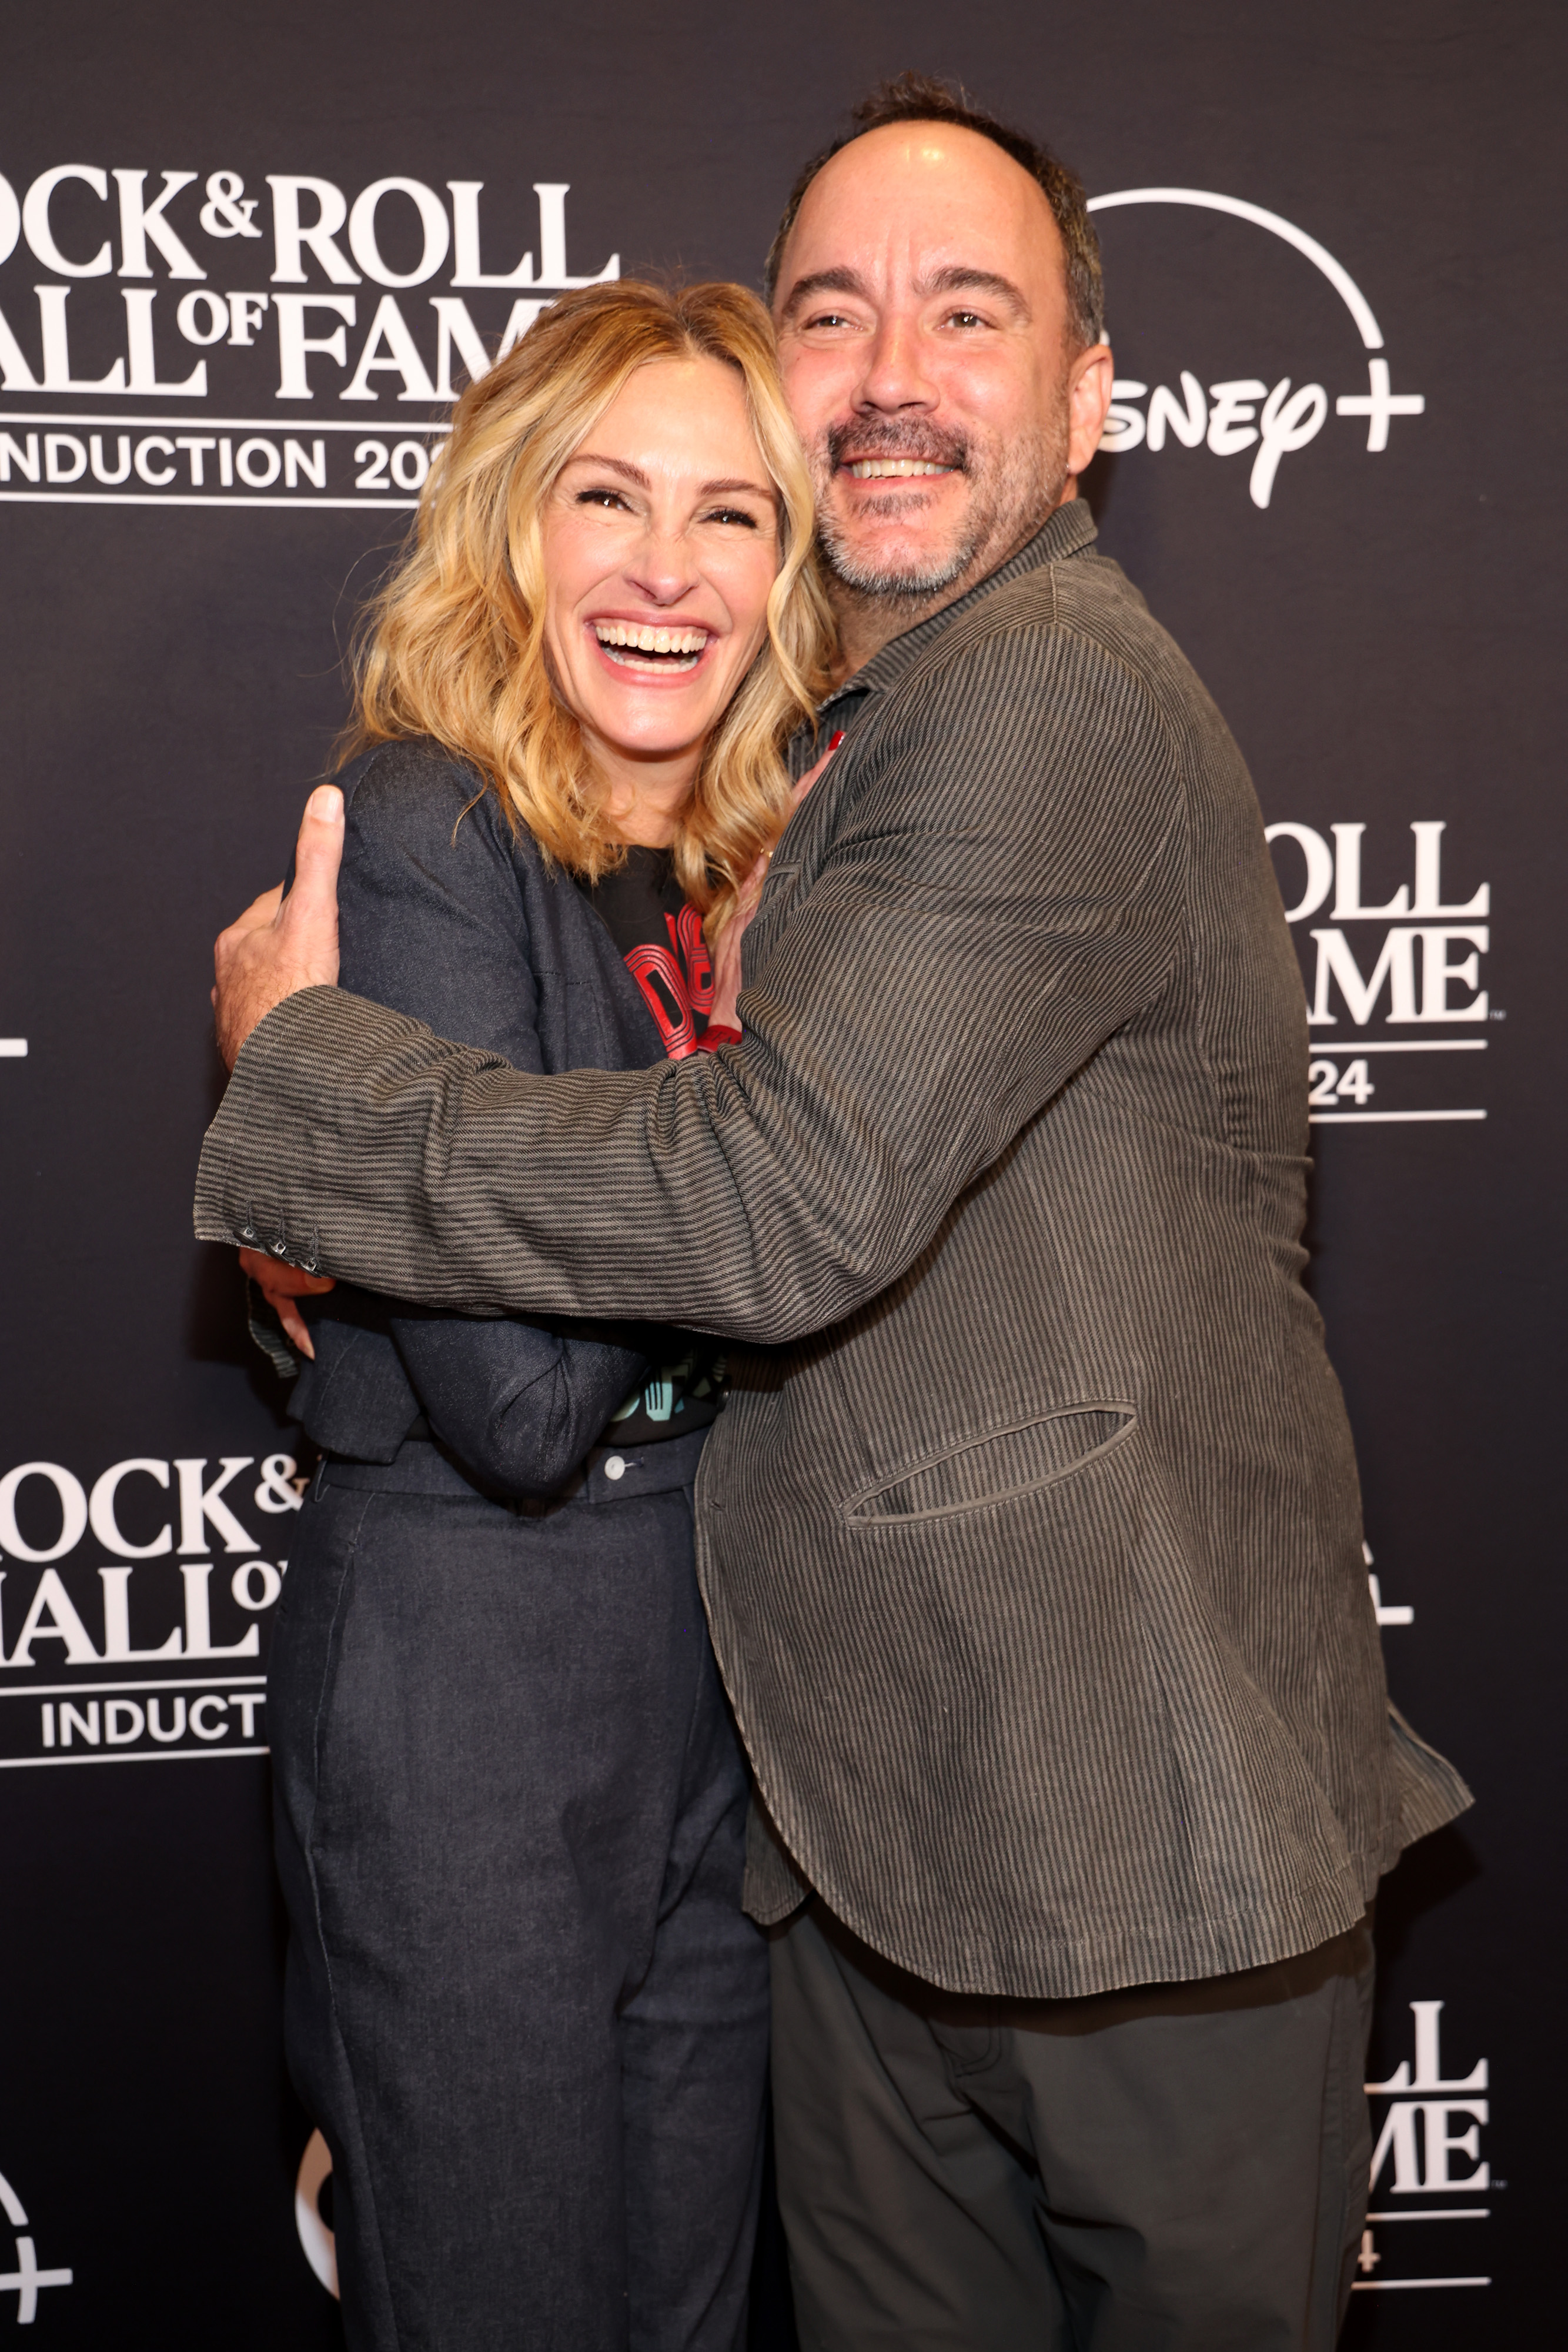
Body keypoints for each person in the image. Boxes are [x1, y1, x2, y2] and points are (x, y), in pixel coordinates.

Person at [200, 76, 1470, 2352]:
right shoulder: (778, 779)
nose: (890, 376)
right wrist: (349, 1309)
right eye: (832, 315)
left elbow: (780, 1197)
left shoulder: (1042, 700)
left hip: (1122, 1847)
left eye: (966, 316)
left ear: (1085, 402)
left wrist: (320, 1098)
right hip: (849, 1846)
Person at [245, 278, 833, 2352]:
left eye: (733, 513)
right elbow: (510, 1393)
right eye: (609, 498)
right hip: (477, 1685)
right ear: (515, 528)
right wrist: (751, 1153)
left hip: (721, 1684)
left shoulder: (784, 871)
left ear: (791, 567)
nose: (667, 571)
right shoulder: (428, 827)